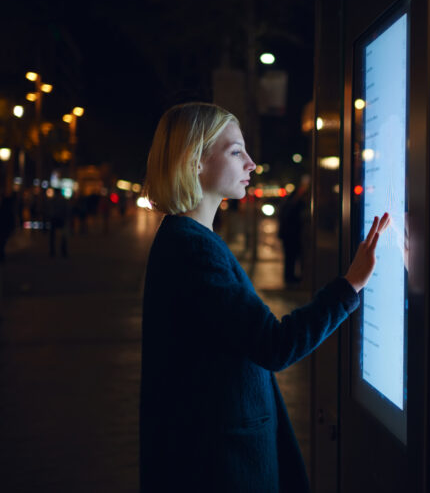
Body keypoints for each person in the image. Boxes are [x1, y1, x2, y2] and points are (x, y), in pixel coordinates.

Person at [139, 102, 390, 492]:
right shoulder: (194, 250)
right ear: (195, 162)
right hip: (220, 464)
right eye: (236, 151)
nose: (252, 163)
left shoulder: (184, 240)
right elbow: (275, 345)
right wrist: (350, 285)